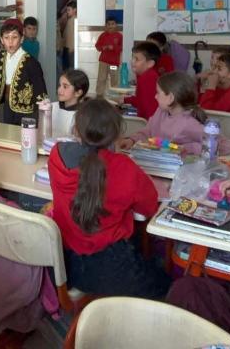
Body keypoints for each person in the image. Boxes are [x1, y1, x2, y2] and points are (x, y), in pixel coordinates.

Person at [47, 99, 170, 297]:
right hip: (112, 269)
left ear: (76, 130)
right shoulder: (124, 167)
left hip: (65, 265)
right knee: (165, 283)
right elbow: (148, 208)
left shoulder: (56, 155)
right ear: (115, 135)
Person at [117, 71, 230, 156]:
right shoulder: (161, 111)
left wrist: (188, 148)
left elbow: (225, 146)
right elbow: (148, 131)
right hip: (157, 164)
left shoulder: (189, 123)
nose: (155, 96)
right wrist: (132, 140)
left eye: (158, 93)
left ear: (171, 98)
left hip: (179, 173)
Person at [0, 18, 48, 125]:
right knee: (9, 132)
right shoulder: (0, 57)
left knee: (24, 134)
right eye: (6, 37)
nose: (10, 42)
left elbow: (40, 92)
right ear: (1, 40)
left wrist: (42, 117)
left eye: (14, 37)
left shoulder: (31, 63)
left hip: (26, 111)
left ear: (22, 39)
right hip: (7, 107)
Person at [123, 41, 160, 120]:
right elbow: (140, 101)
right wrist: (125, 99)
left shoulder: (147, 78)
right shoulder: (147, 75)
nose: (132, 61)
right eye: (132, 57)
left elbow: (149, 109)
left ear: (150, 64)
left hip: (149, 123)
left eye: (137, 59)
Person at [51, 69, 89, 138]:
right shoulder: (52, 107)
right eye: (59, 85)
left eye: (65, 87)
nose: (59, 90)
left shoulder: (82, 115)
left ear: (78, 93)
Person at [94, 16, 122, 97]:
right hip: (103, 61)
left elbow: (121, 48)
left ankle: (115, 96)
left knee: (115, 78)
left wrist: (113, 47)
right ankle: (99, 95)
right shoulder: (103, 35)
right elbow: (97, 46)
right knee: (101, 78)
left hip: (114, 63)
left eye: (112, 24)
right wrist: (103, 47)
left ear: (116, 25)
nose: (110, 26)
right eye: (109, 24)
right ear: (106, 25)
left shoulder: (119, 36)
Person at [63, 3, 77, 70]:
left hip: (71, 49)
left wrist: (72, 48)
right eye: (67, 10)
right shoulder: (69, 20)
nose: (67, 12)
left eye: (69, 10)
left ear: (75, 10)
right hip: (67, 48)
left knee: (71, 68)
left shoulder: (75, 20)